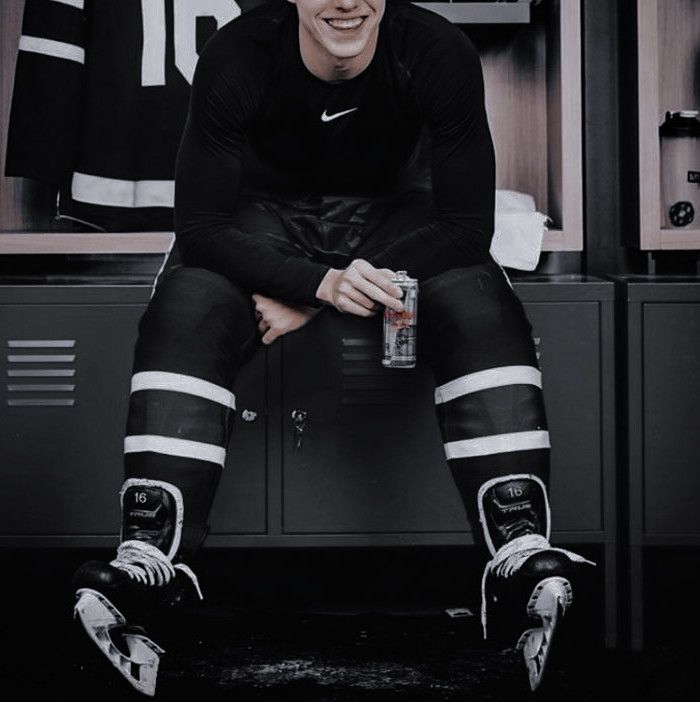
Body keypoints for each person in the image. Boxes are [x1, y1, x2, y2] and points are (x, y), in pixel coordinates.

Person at [72, 0, 595, 695]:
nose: (345, 1)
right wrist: (317, 281)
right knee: (189, 301)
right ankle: (151, 567)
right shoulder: (239, 52)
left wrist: (317, 293)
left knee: (475, 295)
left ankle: (518, 559)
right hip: (261, 221)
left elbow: (466, 224)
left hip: (398, 223)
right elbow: (200, 224)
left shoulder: (436, 50)